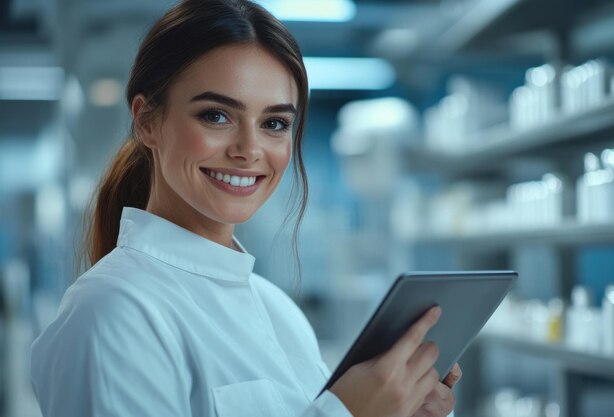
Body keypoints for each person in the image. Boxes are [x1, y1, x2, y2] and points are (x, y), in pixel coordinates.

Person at [30, 1, 462, 416]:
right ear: (147, 121)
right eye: (216, 116)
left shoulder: (280, 312)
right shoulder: (111, 311)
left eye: (274, 124)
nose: (249, 150)